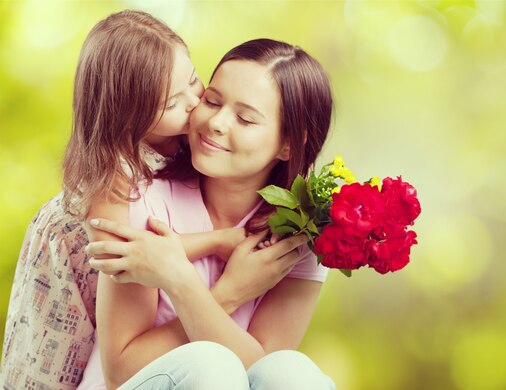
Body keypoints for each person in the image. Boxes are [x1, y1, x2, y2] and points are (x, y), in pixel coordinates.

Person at [1, 12, 302, 389]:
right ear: (133, 118)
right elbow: (135, 255)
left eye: (195, 81)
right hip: (63, 333)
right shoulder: (115, 178)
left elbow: (266, 369)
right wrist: (218, 250)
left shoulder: (182, 150)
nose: (196, 105)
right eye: (175, 103)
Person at [84, 38, 336, 389]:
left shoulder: (300, 235)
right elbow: (120, 371)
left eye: (245, 119)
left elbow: (262, 377)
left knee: (293, 373)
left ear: (289, 144)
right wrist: (228, 291)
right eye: (212, 100)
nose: (216, 122)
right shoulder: (140, 196)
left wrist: (181, 280)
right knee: (210, 364)